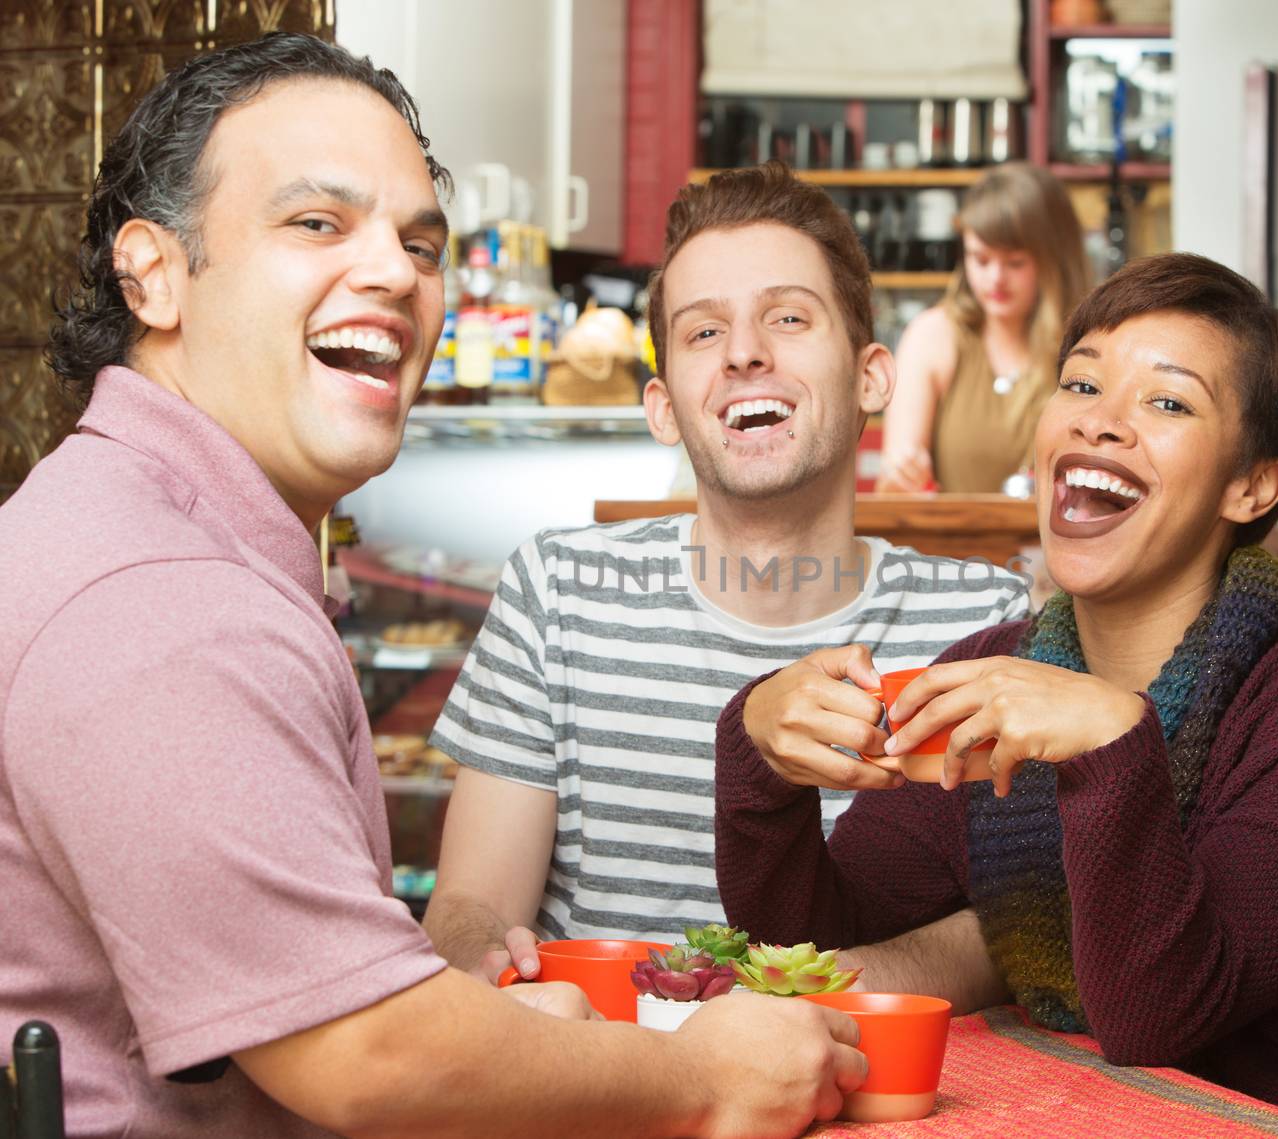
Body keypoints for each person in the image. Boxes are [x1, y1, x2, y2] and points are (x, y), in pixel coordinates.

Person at [0, 36, 866, 1139]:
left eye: (419, 241)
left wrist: (530, 1037)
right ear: (153, 273)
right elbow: (369, 1053)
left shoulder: (151, 530)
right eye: (316, 222)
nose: (394, 272)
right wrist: (701, 1073)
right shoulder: (157, 594)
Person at [714, 254, 1278, 1139]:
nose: (1102, 422)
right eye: (1082, 383)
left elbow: (1163, 1012)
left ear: (1252, 485)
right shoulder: (993, 673)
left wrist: (1110, 745)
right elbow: (815, 949)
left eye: (1167, 402)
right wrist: (760, 757)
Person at [424, 162, 1031, 984]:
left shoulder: (984, 623)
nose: (745, 352)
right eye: (704, 332)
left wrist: (797, 1004)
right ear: (664, 406)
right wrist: (487, 967)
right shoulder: (554, 593)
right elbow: (470, 909)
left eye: (787, 317)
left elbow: (1014, 930)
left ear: (871, 376)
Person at [875, 162, 1089, 494]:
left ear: (1055, 261)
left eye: (1015, 262)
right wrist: (901, 478)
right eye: (980, 259)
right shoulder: (933, 336)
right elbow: (895, 486)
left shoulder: (1088, 347)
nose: (995, 279)